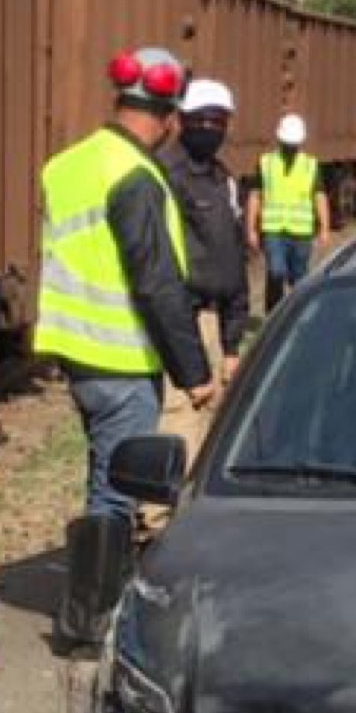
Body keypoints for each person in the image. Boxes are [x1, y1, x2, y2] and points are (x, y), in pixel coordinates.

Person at [35, 47, 215, 644]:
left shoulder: (68, 165)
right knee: (116, 494)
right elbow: (155, 279)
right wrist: (193, 370)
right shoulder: (135, 176)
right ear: (168, 118)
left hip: (78, 352)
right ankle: (88, 623)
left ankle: (91, 612)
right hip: (120, 357)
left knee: (103, 480)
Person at [157, 76, 249, 462]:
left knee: (211, 419)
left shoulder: (221, 177)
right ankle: (160, 512)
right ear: (181, 119)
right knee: (178, 417)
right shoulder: (165, 174)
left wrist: (232, 343)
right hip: (180, 316)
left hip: (213, 319)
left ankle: (189, 503)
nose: (209, 128)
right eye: (201, 119)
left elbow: (232, 257)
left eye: (217, 120)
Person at [249, 113, 331, 313]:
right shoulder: (266, 162)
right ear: (280, 139)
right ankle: (273, 314)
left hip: (302, 234)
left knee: (300, 279)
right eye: (287, 142)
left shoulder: (310, 165)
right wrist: (251, 228)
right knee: (276, 272)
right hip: (274, 231)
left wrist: (325, 229)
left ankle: (295, 317)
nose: (290, 147)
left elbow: (319, 196)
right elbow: (255, 196)